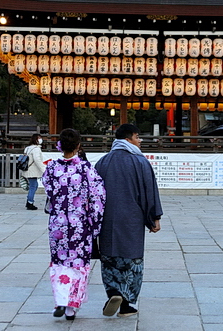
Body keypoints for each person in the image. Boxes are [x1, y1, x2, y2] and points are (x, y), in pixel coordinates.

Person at [94, 123, 163, 318]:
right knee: (132, 261)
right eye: (138, 137)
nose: (140, 141)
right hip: (132, 220)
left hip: (107, 220)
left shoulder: (103, 162)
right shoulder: (139, 162)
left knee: (109, 259)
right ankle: (126, 303)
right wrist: (153, 218)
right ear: (129, 138)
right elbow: (149, 193)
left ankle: (113, 293)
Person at [41, 128, 105, 321]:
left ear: (60, 145)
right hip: (80, 224)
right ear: (79, 145)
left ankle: (60, 301)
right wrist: (95, 224)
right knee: (78, 263)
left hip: (58, 223)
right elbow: (98, 197)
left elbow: (49, 193)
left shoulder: (52, 168)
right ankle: (71, 307)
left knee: (60, 262)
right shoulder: (86, 169)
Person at [20, 134, 46, 210]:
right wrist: (44, 170)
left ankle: (29, 200)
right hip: (33, 170)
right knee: (33, 186)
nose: (41, 139)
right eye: (39, 138)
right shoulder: (36, 149)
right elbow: (37, 160)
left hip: (28, 169)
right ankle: (30, 202)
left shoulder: (27, 148)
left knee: (33, 186)